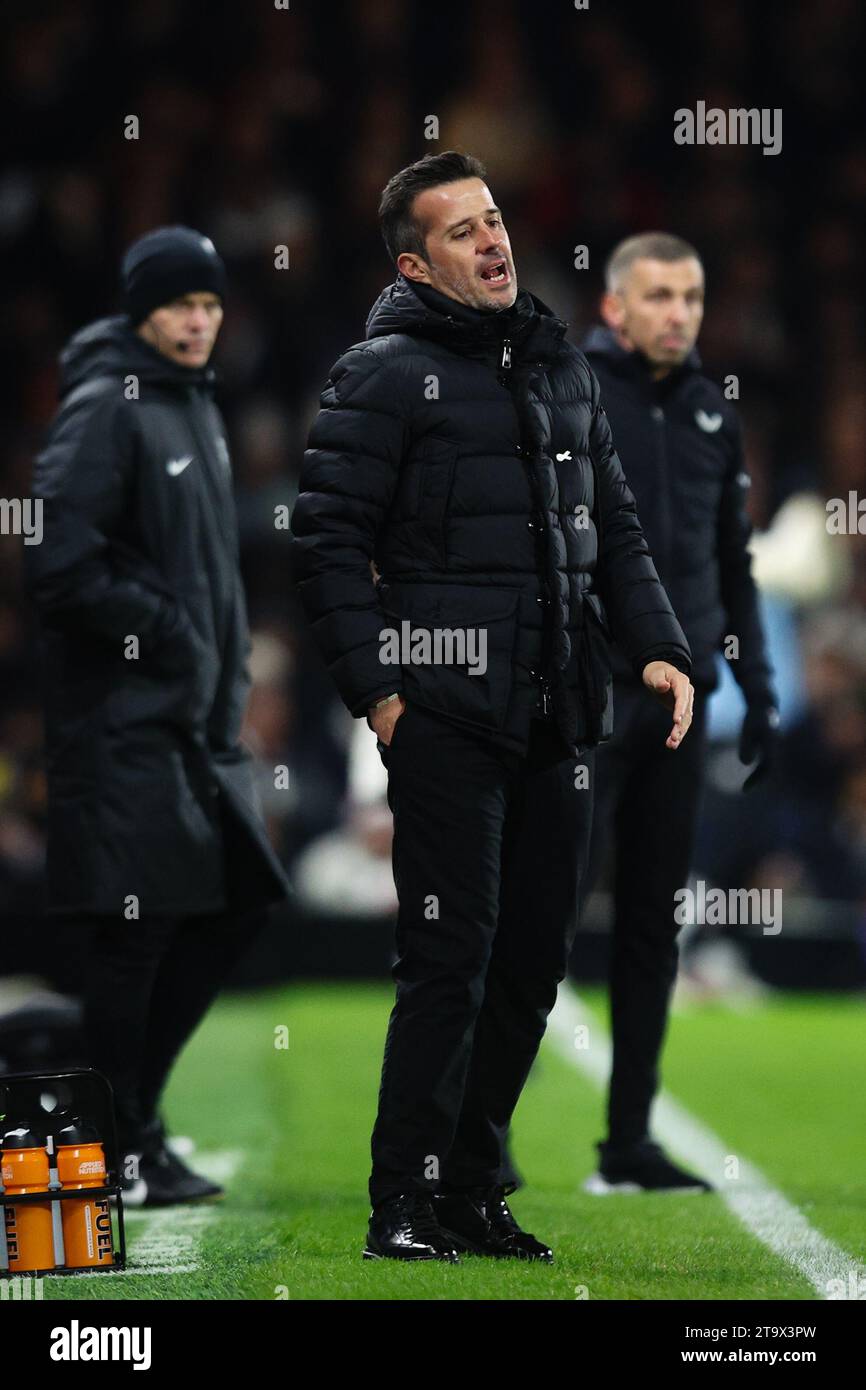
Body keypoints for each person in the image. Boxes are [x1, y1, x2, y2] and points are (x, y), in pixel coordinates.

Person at [291, 152, 695, 1263]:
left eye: (494, 218)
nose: (492, 240)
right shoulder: (378, 374)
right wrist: (377, 693)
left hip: (557, 711)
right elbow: (324, 539)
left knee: (528, 964)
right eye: (462, 230)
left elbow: (610, 524)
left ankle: (470, 1184)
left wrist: (656, 646)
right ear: (416, 264)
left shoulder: (556, 364)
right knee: (448, 959)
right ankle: (402, 1199)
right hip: (444, 715)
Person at [24, 226, 292, 1206]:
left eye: (211, 305)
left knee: (233, 904)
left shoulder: (191, 405)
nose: (198, 320)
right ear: (141, 310)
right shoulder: (110, 404)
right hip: (124, 725)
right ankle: (116, 1144)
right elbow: (55, 559)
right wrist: (168, 629)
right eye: (181, 304)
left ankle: (126, 1121)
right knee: (139, 939)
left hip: (191, 727)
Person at [576, 232, 778, 1193]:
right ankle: (475, 1142)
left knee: (654, 925)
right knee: (544, 921)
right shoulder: (572, 392)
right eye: (658, 296)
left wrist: (760, 682)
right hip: (588, 698)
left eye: (691, 296)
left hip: (681, 708)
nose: (679, 313)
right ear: (615, 307)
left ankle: (628, 1141)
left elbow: (732, 561)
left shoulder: (710, 410)